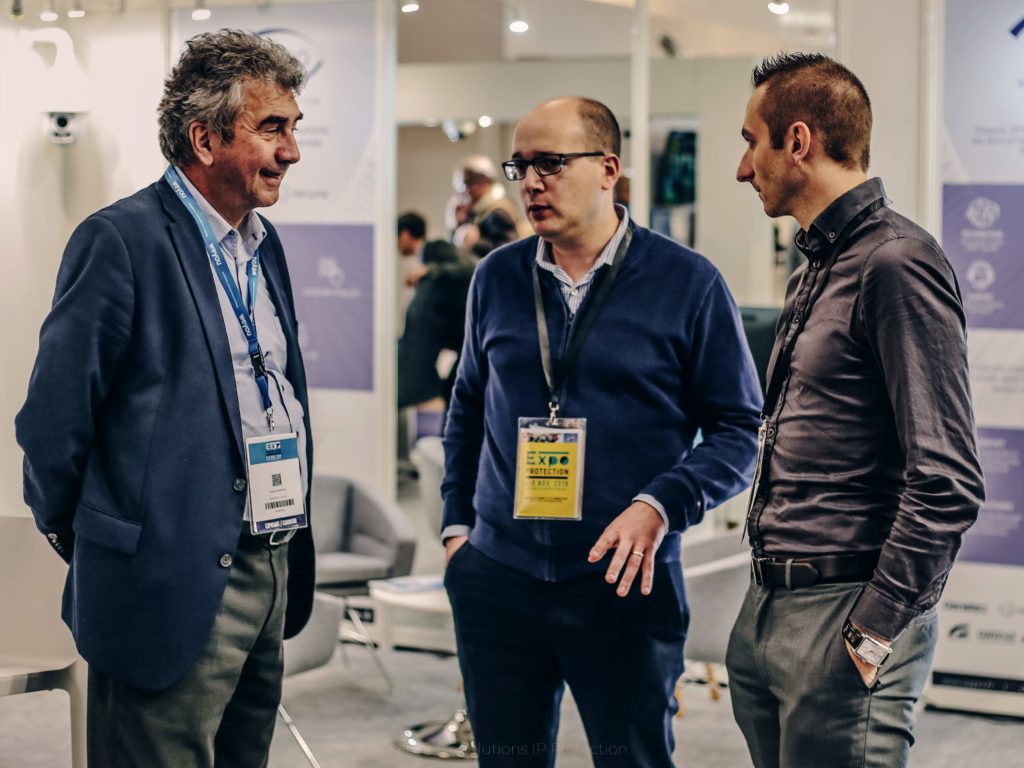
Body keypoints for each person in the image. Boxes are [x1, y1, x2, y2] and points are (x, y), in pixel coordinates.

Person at [15, 29, 315, 768]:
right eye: (271, 128)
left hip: (269, 558)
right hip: (162, 579)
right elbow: (53, 423)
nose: (291, 151)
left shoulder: (264, 245)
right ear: (205, 138)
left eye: (293, 128)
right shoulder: (120, 240)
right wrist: (103, 543)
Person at [441, 96, 762, 767]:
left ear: (609, 169)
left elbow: (739, 431)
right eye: (520, 166)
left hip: (624, 582)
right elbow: (467, 405)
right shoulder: (497, 277)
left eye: (550, 163)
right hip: (499, 578)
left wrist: (660, 505)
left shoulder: (688, 283)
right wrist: (456, 532)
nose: (530, 182)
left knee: (630, 757)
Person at [727, 52, 985, 768]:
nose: (743, 169)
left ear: (798, 141)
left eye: (751, 142)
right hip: (770, 603)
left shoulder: (896, 262)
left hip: (844, 608)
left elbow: (947, 479)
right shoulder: (815, 268)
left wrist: (873, 629)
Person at [396, 211, 475, 409]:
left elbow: (469, 268)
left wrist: (429, 270)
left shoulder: (435, 248)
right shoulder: (427, 258)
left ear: (405, 235)